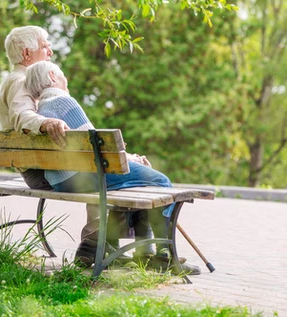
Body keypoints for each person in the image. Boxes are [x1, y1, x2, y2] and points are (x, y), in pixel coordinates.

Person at [24, 61, 200, 275]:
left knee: (139, 186)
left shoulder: (40, 112)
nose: (66, 82)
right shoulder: (63, 102)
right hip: (83, 176)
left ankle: (146, 252)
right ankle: (164, 255)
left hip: (60, 182)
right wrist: (133, 159)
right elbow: (98, 148)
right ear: (52, 76)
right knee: (161, 182)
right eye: (64, 78)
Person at [0, 26, 133, 268]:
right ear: (27, 54)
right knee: (103, 170)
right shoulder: (20, 81)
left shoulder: (20, 80)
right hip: (42, 171)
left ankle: (99, 244)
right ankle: (96, 244)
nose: (50, 51)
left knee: (97, 167)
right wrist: (46, 122)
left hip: (42, 165)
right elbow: (21, 116)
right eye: (44, 45)